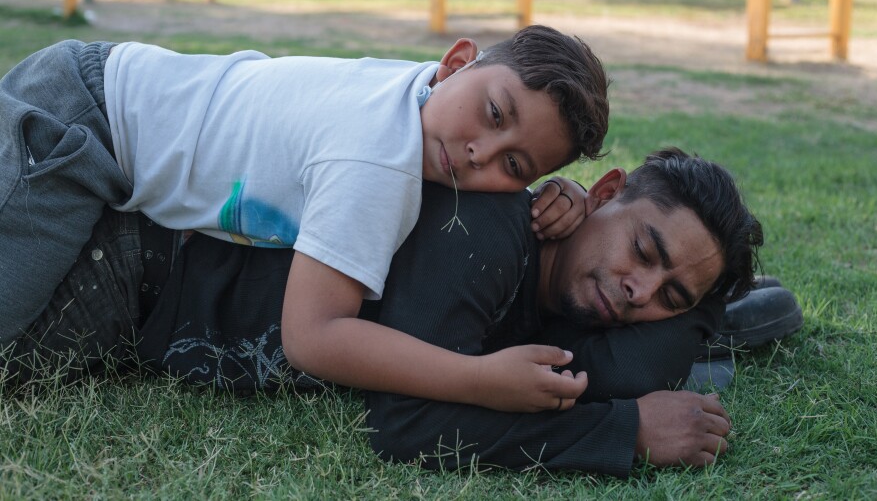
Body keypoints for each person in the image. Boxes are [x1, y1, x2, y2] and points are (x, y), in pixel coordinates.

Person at [4, 148, 769, 475]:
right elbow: (406, 422)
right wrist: (623, 431)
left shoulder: (565, 289)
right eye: (644, 247)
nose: (639, 289)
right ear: (601, 193)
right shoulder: (490, 231)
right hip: (119, 260)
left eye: (670, 296)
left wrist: (704, 310)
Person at [0, 25, 609, 412]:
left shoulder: (418, 95)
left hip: (96, 89)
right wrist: (478, 380)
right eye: (494, 113)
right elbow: (313, 338)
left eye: (514, 163)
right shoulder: (380, 160)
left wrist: (571, 195)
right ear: (455, 63)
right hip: (80, 127)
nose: (480, 152)